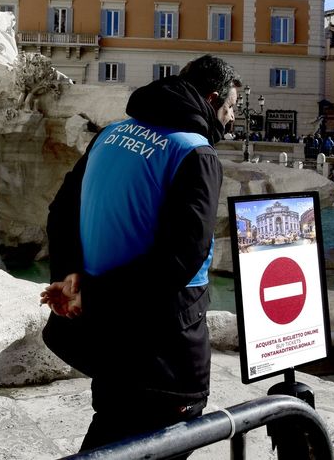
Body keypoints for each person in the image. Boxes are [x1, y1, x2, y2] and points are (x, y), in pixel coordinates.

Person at [41, 54, 241, 452]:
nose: (232, 119)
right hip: (165, 352)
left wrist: (71, 278)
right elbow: (181, 259)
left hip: (105, 339)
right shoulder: (195, 152)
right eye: (231, 107)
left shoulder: (111, 134)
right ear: (212, 98)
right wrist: (92, 292)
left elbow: (61, 211)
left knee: (111, 434)